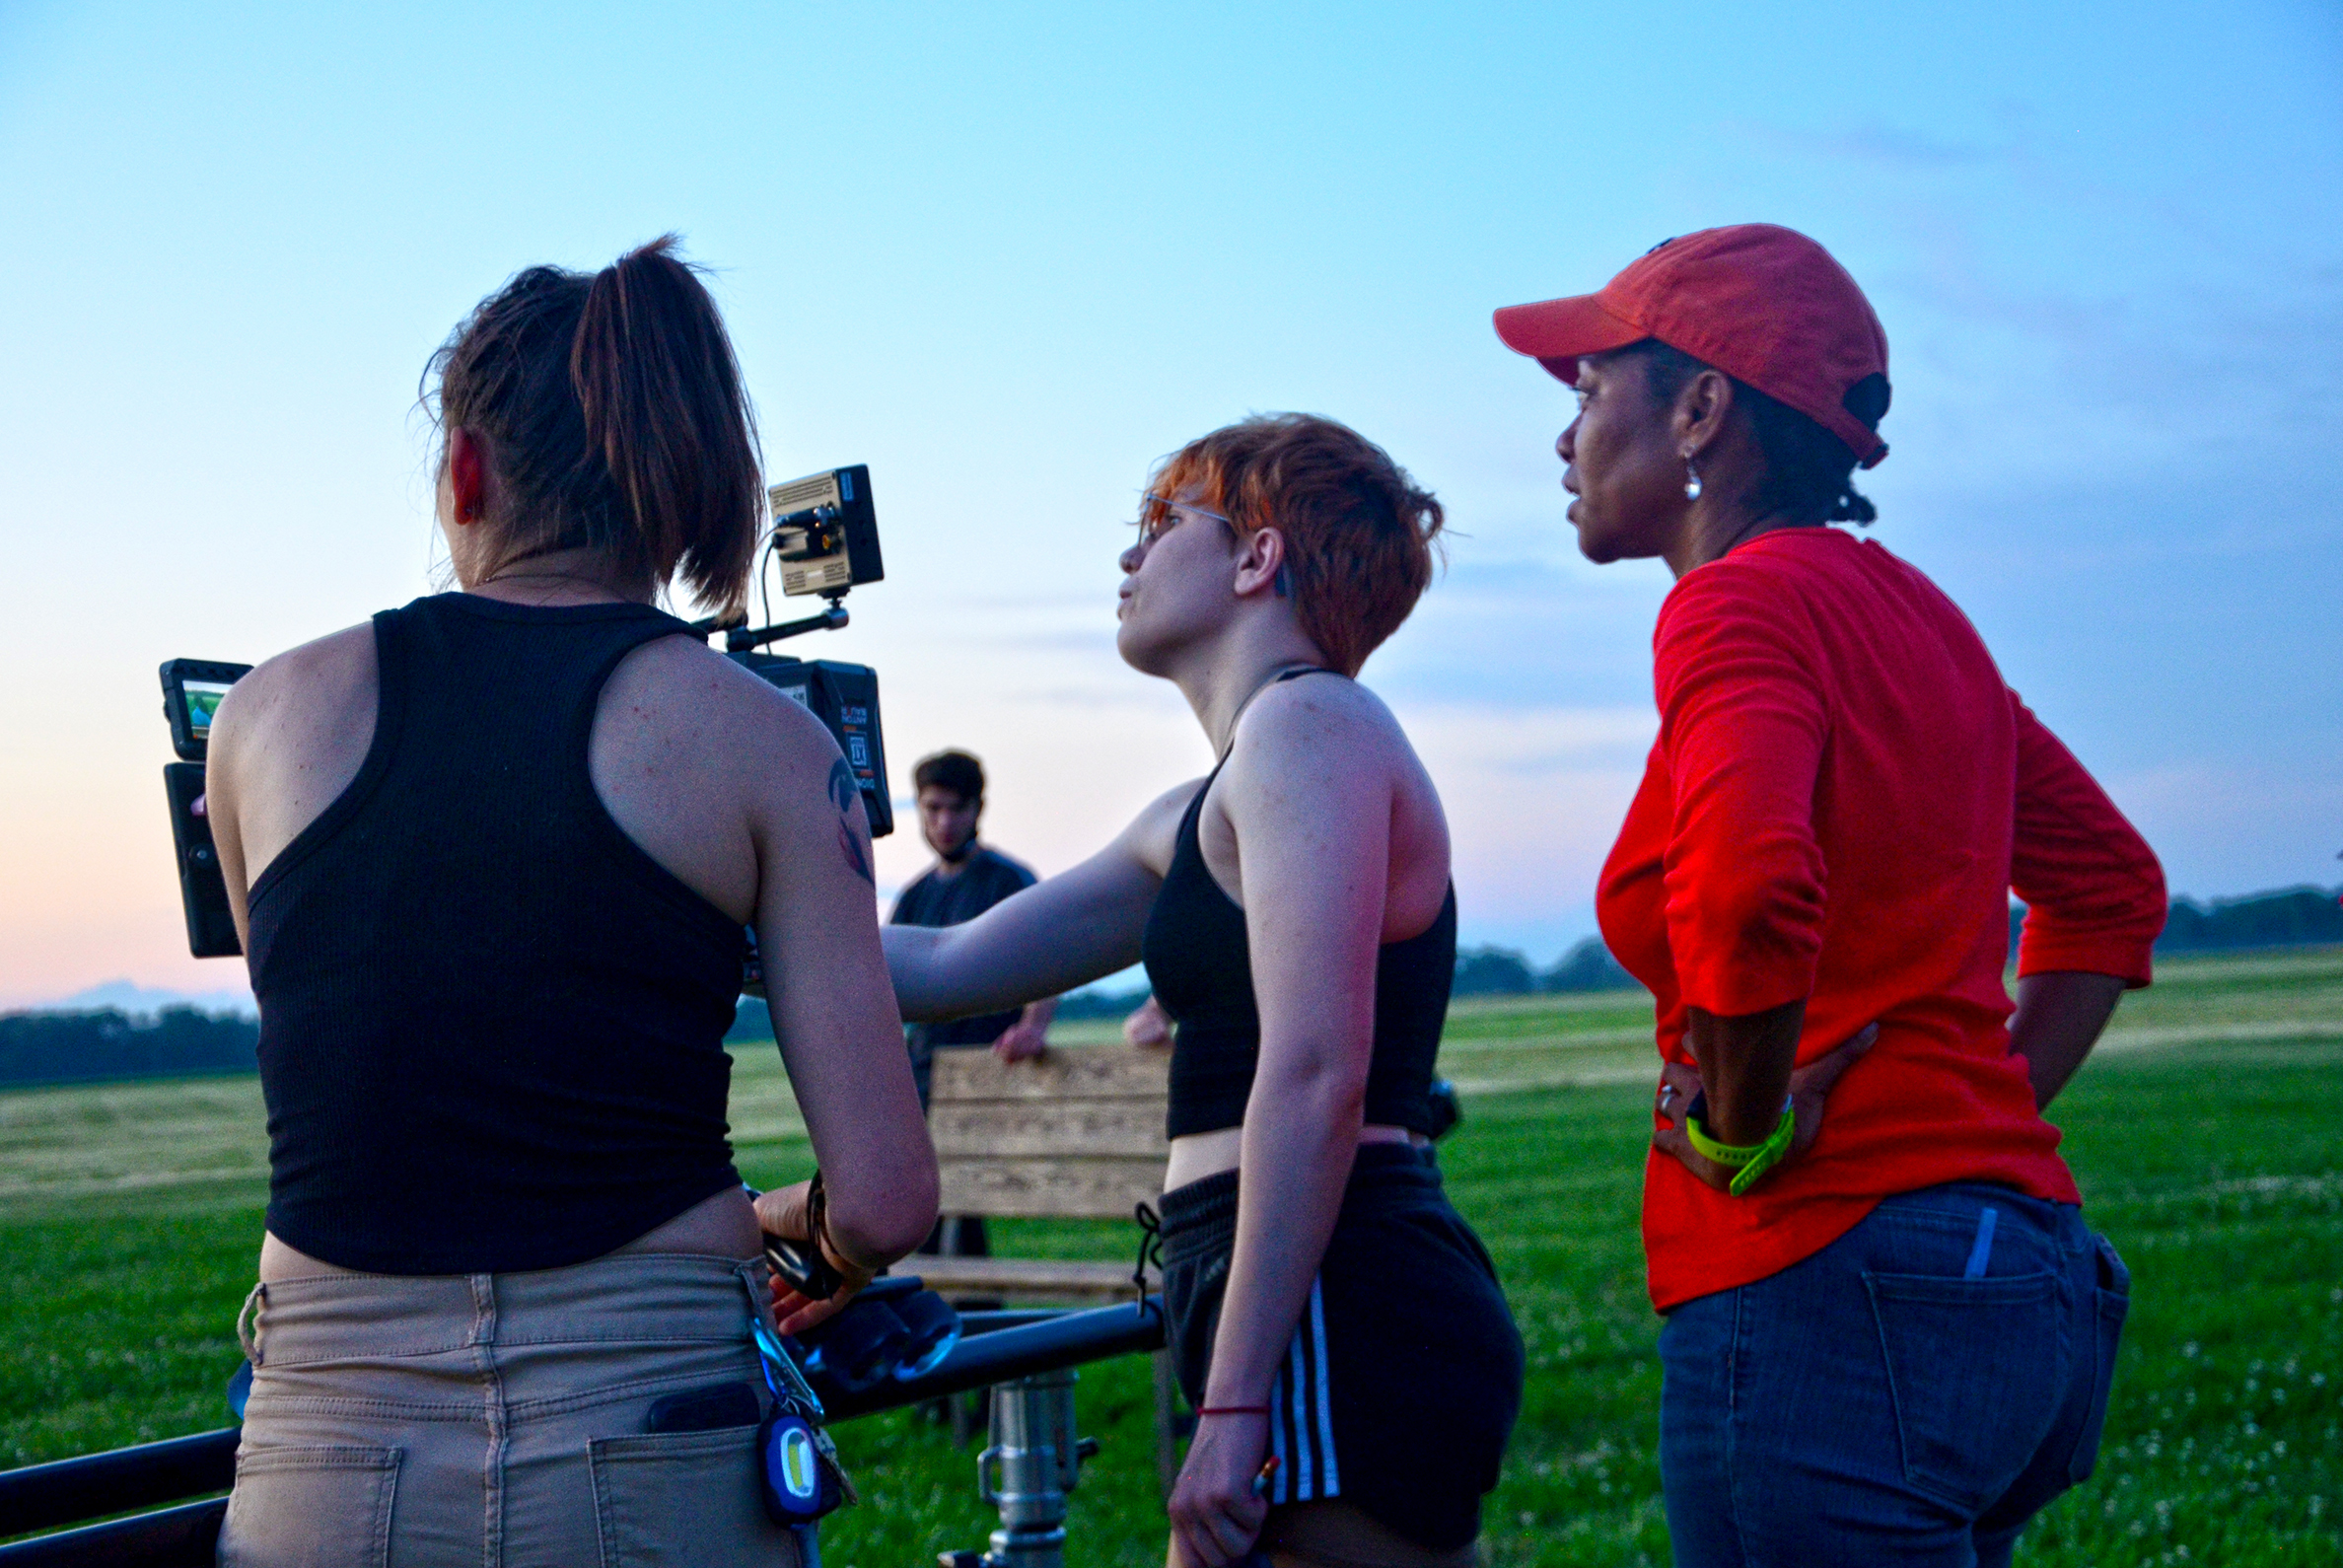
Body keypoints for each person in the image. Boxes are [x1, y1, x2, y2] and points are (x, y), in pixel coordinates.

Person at [202, 238, 938, 1567]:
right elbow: (886, 1202)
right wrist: (802, 1230)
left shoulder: (260, 722)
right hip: (658, 1433)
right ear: (677, 490)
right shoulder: (768, 744)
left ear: (466, 469)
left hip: (327, 1443)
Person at [1493, 224, 2166, 1567]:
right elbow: (2113, 889)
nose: (1563, 439)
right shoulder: (1918, 617)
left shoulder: (1732, 609)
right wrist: (1966, 1124)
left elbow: (1745, 889)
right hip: (2020, 1278)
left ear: (1699, 407)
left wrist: (1743, 1121)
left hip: (1827, 1293)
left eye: (1587, 391)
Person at [883, 414, 1524, 1568]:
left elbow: (1318, 1071)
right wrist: (731, 872)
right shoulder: (1208, 806)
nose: (1130, 559)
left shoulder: (1310, 724)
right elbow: (935, 969)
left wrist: (1231, 1407)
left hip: (1336, 1288)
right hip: (1274, 1285)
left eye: (1159, 523)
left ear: (1256, 558)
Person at [891, 748, 1055, 1263]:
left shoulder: (1008, 881)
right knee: (920, 1214)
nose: (943, 822)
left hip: (988, 1071)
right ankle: (950, 1320)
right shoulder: (914, 896)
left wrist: (1033, 1027)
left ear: (977, 809)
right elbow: (884, 981)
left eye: (954, 809)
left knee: (957, 1212)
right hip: (923, 1073)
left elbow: (1050, 958)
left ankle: (968, 1323)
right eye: (932, 808)